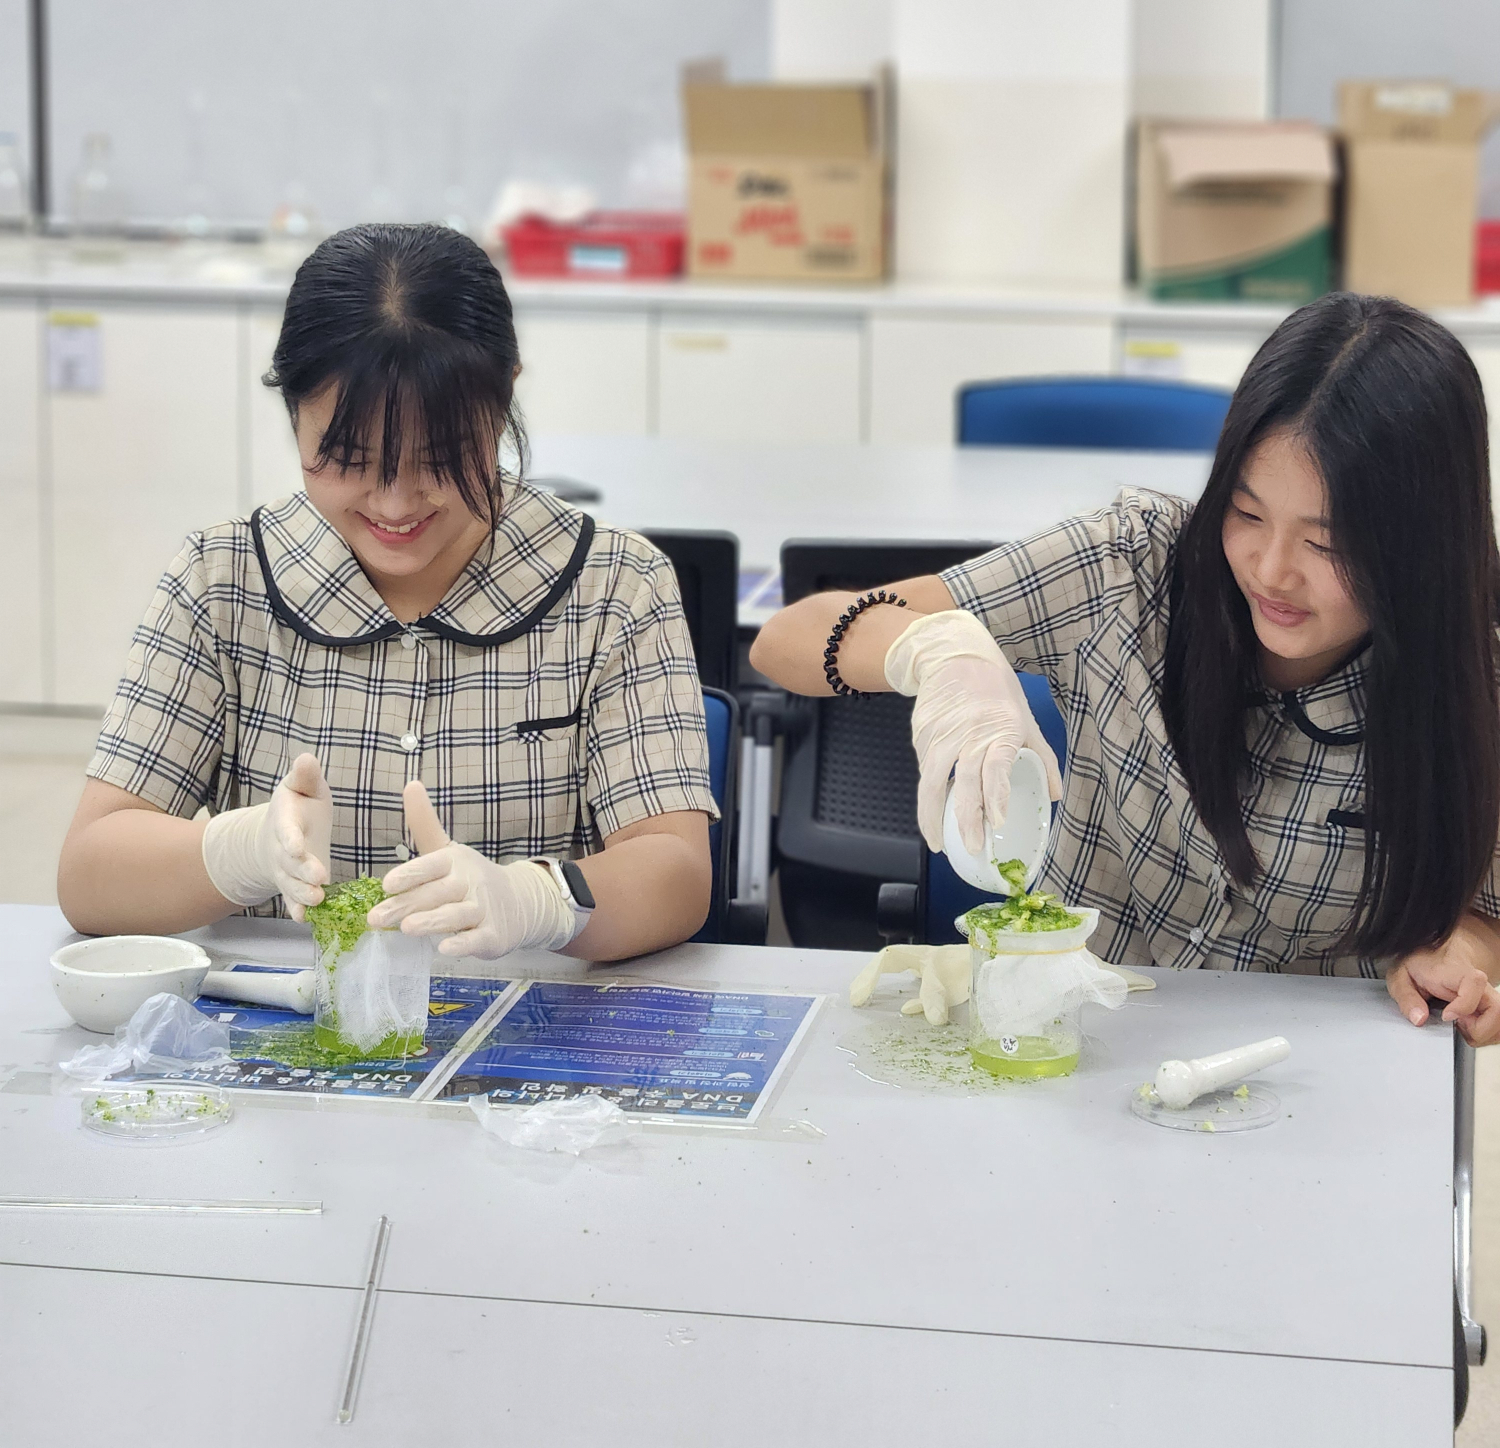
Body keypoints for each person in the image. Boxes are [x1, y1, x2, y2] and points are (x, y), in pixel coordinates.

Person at [750, 293, 1500, 1044]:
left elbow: (1485, 913)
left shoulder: (1476, 684)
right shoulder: (1132, 568)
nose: (1271, 571)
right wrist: (939, 651)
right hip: (1072, 1051)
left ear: (1423, 544)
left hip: (1311, 1087)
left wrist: (1458, 953)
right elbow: (788, 638)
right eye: (1246, 513)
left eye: (1326, 542)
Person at [57, 223, 715, 963]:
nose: (395, 504)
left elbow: (677, 872)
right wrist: (237, 851)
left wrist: (536, 900)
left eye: (440, 458)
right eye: (347, 459)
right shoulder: (221, 580)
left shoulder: (615, 588)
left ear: (502, 401)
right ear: (293, 411)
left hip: (532, 1039)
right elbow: (89, 876)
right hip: (282, 1041)